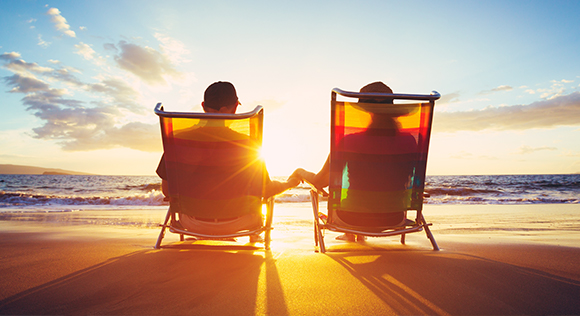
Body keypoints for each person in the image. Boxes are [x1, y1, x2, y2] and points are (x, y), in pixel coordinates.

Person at [156, 81, 300, 242]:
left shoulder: (178, 142)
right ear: (233, 108)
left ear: (203, 106)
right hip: (240, 222)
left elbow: (168, 191)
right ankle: (252, 236)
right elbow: (265, 190)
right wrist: (289, 184)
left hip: (191, 223)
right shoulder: (248, 145)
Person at [293, 82, 416, 242]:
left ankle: (352, 232)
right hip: (394, 217)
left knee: (352, 200)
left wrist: (300, 172)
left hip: (350, 218)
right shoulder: (409, 141)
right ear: (392, 112)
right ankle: (356, 233)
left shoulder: (349, 141)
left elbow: (320, 182)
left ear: (365, 113)